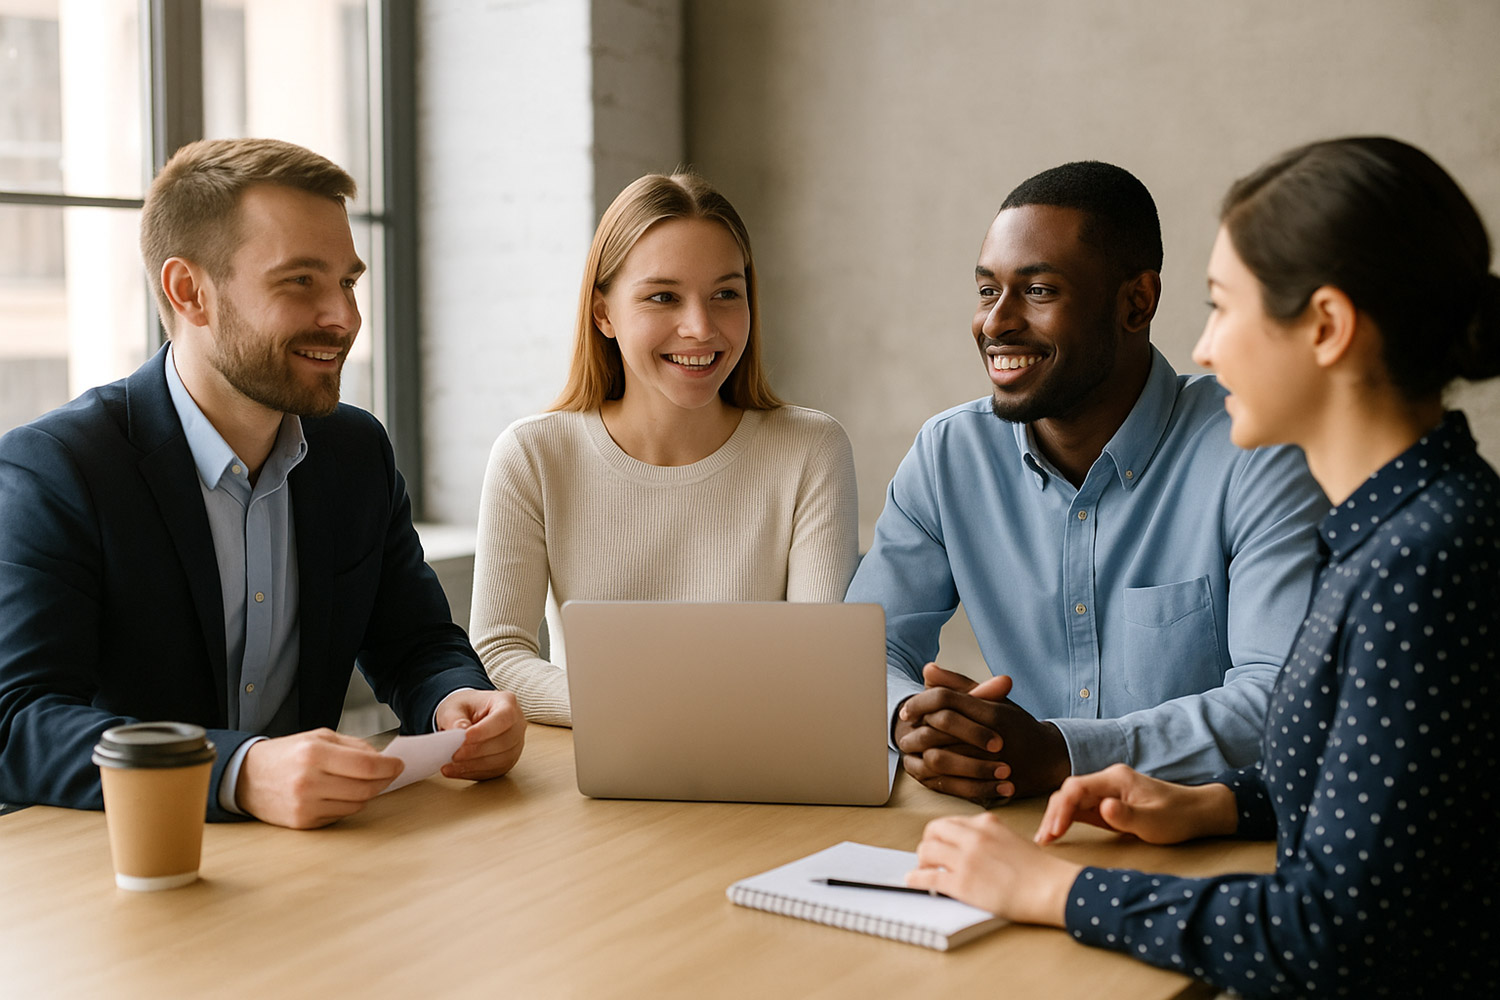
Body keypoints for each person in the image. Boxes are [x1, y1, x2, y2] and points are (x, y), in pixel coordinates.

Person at [908, 137, 1500, 997]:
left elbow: (1331, 936)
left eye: (1223, 308)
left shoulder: (1424, 562)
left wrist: (1058, 889)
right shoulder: (1399, 524)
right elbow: (1386, 797)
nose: (1207, 349)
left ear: (1327, 328)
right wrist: (1216, 805)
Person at [0, 138, 525, 829]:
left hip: (310, 868)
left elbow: (415, 643)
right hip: (120, 874)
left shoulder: (354, 451)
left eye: (347, 281)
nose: (344, 317)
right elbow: (18, 722)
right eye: (300, 281)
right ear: (190, 292)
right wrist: (238, 772)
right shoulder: (56, 470)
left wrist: (454, 698)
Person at [845, 161, 1326, 804]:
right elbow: (862, 650)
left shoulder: (1253, 447)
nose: (996, 323)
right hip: (1027, 830)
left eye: (1039, 291)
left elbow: (1280, 699)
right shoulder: (949, 454)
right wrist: (919, 722)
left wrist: (1061, 753)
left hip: (1208, 844)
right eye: (988, 291)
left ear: (1137, 302)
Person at [470, 172, 859, 725]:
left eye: (726, 294)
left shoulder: (811, 449)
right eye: (663, 297)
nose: (700, 328)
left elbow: (817, 659)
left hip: (757, 764)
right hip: (598, 770)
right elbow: (499, 657)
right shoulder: (532, 455)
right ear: (603, 313)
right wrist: (647, 710)